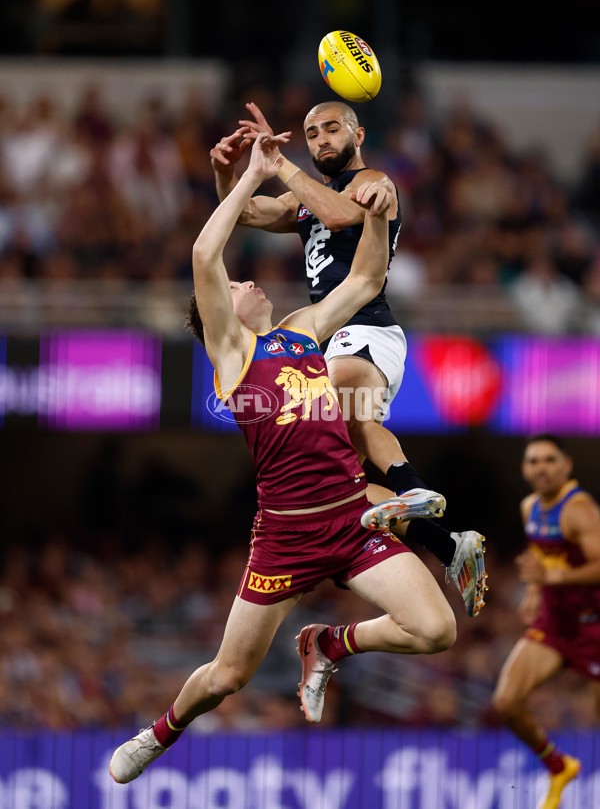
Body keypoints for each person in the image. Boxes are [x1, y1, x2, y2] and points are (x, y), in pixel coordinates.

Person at [109, 132, 458, 784]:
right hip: (285, 538)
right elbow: (204, 250)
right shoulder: (232, 355)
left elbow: (366, 279)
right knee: (229, 676)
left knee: (436, 629)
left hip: (350, 522)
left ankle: (327, 642)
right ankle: (161, 732)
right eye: (237, 285)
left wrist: (380, 211)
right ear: (219, 316)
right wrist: (254, 173)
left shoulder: (298, 330)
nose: (246, 282)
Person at [209, 99, 487, 616]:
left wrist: (280, 165)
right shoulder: (305, 198)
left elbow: (338, 215)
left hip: (366, 323)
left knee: (349, 414)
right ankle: (447, 544)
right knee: (341, 480)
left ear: (357, 135)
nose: (320, 141)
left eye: (331, 129)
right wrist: (228, 174)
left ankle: (414, 491)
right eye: (312, 134)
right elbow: (245, 212)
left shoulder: (373, 180)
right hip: (329, 329)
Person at [491, 433, 600, 809]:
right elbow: (543, 553)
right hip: (556, 623)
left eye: (550, 460)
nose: (542, 467)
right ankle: (558, 766)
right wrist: (536, 592)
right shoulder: (529, 508)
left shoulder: (580, 509)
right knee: (506, 702)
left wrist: (550, 580)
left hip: (594, 626)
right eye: (534, 461)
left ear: (566, 465)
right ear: (524, 469)